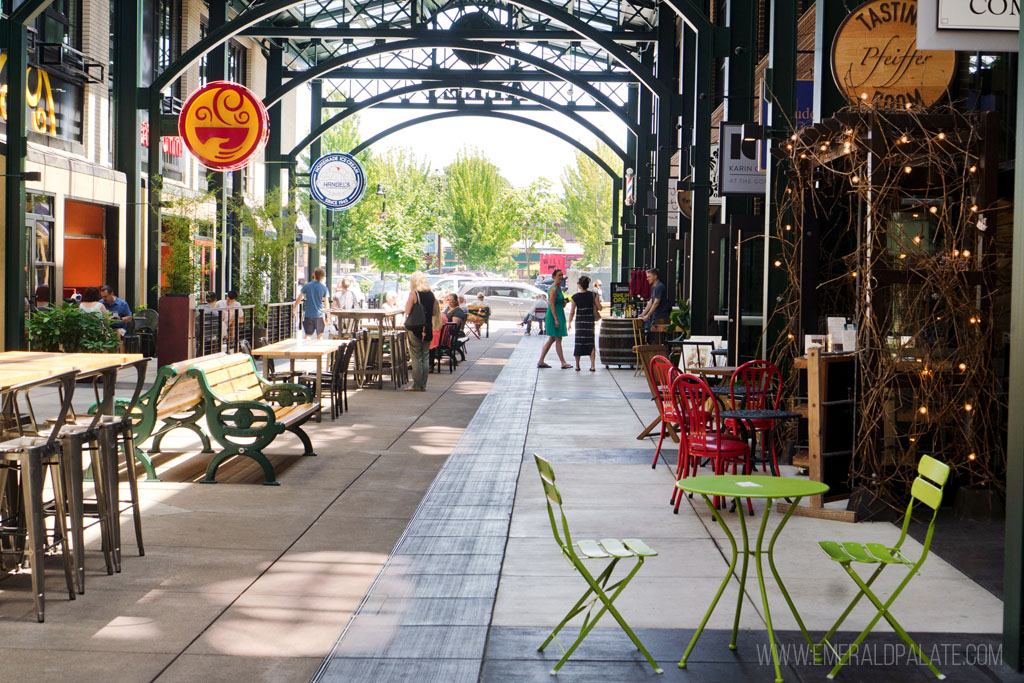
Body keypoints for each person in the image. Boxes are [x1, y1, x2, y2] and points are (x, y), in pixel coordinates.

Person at [404, 271, 440, 392]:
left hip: (415, 328)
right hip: (428, 328)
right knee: (425, 356)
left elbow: (407, 311)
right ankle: (423, 385)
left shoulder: (414, 294)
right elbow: (435, 312)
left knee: (416, 357)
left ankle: (416, 385)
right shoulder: (431, 295)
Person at [537, 269, 570, 369]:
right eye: (559, 275)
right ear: (554, 277)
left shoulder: (559, 288)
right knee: (558, 338)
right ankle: (563, 362)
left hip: (559, 313)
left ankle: (541, 360)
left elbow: (559, 303)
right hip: (554, 315)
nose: (561, 277)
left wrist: (564, 302)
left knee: (552, 339)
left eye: (562, 275)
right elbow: (551, 304)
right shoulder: (553, 289)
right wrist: (555, 319)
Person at [567, 275, 600, 372]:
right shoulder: (593, 295)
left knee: (579, 342)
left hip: (580, 323)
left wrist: (569, 323)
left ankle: (577, 365)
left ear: (579, 285)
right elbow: (599, 307)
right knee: (591, 343)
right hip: (589, 322)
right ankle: (592, 365)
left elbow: (572, 311)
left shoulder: (575, 297)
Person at [294, 267, 330, 339]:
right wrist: (327, 316)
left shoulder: (307, 286)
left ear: (314, 275)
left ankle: (306, 349)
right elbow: (326, 303)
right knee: (320, 335)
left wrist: (294, 307)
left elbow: (299, 297)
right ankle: (320, 349)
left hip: (308, 314)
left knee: (308, 334)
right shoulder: (324, 288)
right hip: (319, 315)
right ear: (322, 277)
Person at [639, 268, 673, 338]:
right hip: (655, 316)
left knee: (660, 338)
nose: (647, 279)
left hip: (661, 316)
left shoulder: (660, 287)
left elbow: (656, 303)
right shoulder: (653, 287)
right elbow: (651, 301)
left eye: (649, 276)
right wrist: (643, 314)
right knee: (654, 337)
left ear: (655, 276)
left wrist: (647, 315)